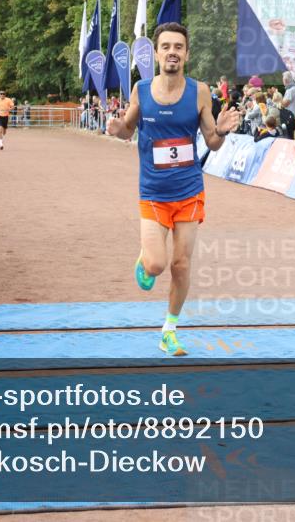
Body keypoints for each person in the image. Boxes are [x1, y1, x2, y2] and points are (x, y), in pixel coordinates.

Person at [105, 22, 240, 357]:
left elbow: (212, 141)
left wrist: (221, 131)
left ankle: (169, 330)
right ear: (156, 53)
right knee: (156, 265)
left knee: (181, 264)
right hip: (152, 192)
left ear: (187, 54)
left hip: (189, 191)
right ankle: (146, 262)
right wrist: (117, 128)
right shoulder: (142, 90)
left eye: (178, 47)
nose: (172, 53)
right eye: (166, 47)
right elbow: (126, 131)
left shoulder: (200, 92)